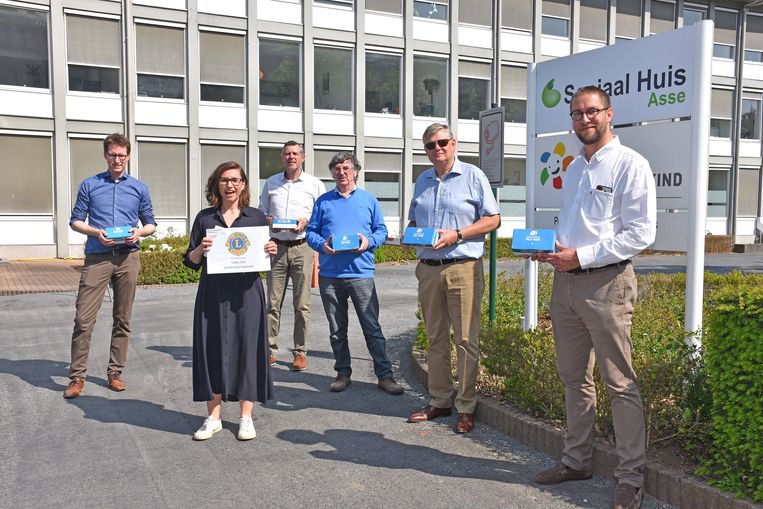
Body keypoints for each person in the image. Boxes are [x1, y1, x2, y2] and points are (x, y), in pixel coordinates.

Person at [531, 86, 656, 509]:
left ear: (609, 114)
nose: (584, 119)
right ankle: (577, 460)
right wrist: (554, 250)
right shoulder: (576, 167)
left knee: (619, 383)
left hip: (606, 284)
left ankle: (629, 478)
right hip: (565, 284)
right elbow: (577, 224)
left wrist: (581, 255)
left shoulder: (629, 164)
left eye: (592, 112)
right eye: (577, 113)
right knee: (574, 378)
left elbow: (641, 233)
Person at [406, 123, 500, 434]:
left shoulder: (473, 176)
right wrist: (409, 233)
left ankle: (465, 406)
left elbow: (493, 219)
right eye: (431, 145)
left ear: (454, 143)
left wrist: (458, 234)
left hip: (463, 267)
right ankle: (440, 400)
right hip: (429, 269)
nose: (438, 149)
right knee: (435, 339)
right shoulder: (422, 180)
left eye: (442, 142)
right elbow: (415, 220)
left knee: (465, 340)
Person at [184, 161, 278, 441]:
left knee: (247, 349)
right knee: (211, 348)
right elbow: (189, 261)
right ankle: (212, 417)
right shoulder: (205, 218)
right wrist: (201, 248)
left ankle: (245, 417)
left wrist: (270, 249)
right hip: (212, 293)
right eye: (225, 180)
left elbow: (263, 255)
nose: (230, 185)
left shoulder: (256, 217)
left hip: (247, 293)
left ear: (243, 185)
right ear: (217, 184)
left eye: (236, 180)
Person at [63, 133, 156, 399]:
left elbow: (150, 223)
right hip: (98, 257)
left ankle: (115, 372)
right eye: (113, 154)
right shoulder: (89, 185)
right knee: (83, 319)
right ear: (106, 155)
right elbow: (75, 220)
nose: (117, 159)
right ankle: (77, 377)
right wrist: (95, 232)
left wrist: (139, 233)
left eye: (122, 155)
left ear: (128, 156)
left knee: (123, 319)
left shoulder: (139, 188)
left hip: (128, 258)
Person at [306, 152, 404, 395]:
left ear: (356, 171)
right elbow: (310, 233)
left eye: (346, 168)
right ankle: (342, 373)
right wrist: (322, 245)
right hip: (330, 275)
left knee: (371, 327)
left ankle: (385, 375)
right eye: (337, 168)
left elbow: (381, 231)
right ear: (332, 173)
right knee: (337, 329)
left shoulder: (369, 200)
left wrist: (367, 241)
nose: (342, 172)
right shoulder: (323, 201)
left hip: (361, 273)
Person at [259, 141, 325, 371]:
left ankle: (300, 352)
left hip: (302, 247)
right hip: (276, 247)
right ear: (282, 157)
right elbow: (263, 213)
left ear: (303, 157)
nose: (291, 157)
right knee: (272, 303)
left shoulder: (315, 185)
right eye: (287, 154)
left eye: (295, 153)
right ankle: (270, 349)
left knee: (302, 304)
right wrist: (270, 223)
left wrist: (307, 222)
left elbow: (320, 218)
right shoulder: (271, 183)